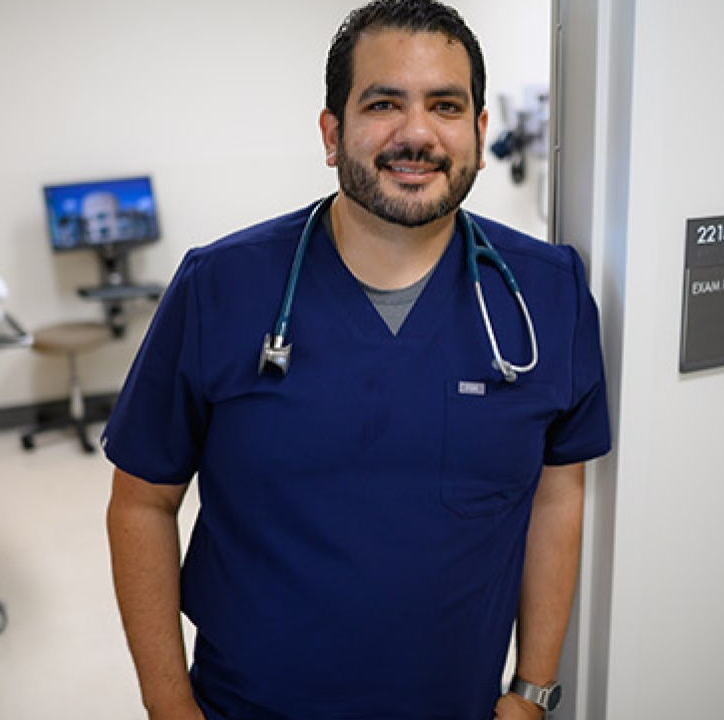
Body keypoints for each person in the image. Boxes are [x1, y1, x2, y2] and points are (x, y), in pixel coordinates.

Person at [103, 1, 611, 718]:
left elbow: (560, 494)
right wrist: (168, 705)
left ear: (478, 131)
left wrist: (530, 691)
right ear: (332, 133)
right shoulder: (221, 287)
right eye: (383, 103)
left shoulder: (546, 293)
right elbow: (141, 503)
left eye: (445, 105)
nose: (416, 133)